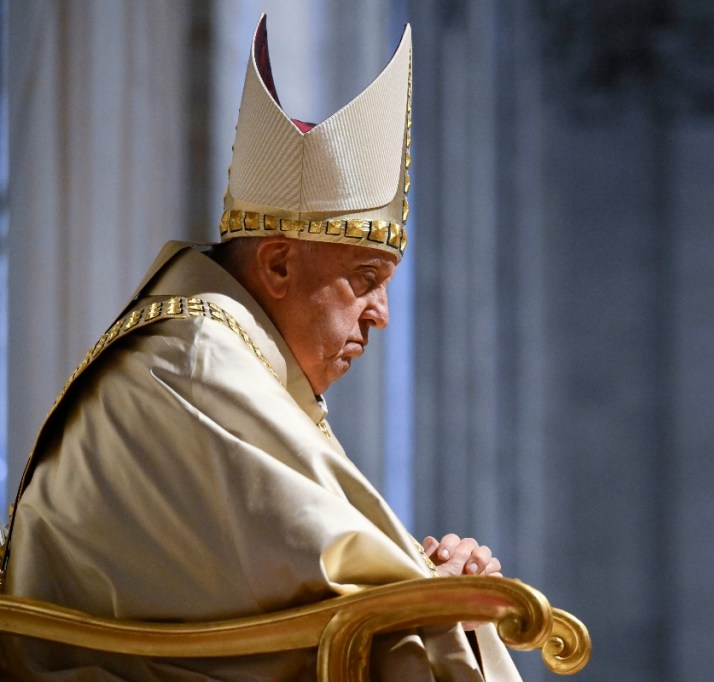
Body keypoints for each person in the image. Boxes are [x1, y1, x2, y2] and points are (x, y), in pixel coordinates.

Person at [0, 15, 521, 681]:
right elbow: (338, 581)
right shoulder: (194, 362)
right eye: (365, 281)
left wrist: (434, 587)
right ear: (276, 266)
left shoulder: (222, 352)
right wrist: (441, 593)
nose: (381, 315)